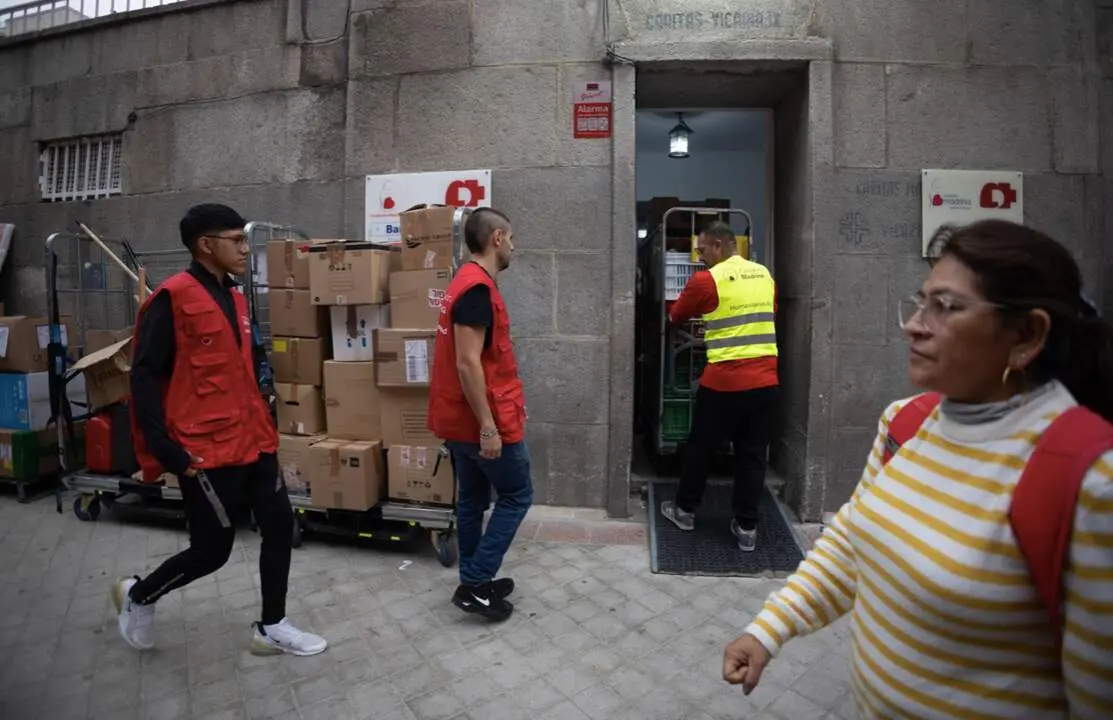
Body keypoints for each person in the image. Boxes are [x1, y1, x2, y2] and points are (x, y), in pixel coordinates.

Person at [721, 220, 1113, 718]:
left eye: (945, 307)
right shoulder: (905, 423)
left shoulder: (1090, 480)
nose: (915, 324)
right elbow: (849, 544)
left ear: (1027, 335)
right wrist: (769, 629)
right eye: (920, 301)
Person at [114, 203, 327, 657]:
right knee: (212, 551)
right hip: (205, 451)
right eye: (237, 241)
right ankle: (139, 596)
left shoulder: (233, 295)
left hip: (254, 439)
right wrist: (165, 449)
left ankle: (272, 626)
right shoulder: (173, 298)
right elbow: (145, 376)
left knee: (279, 524)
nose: (246, 249)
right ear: (205, 245)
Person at [427, 207, 532, 622]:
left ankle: (473, 580)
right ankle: (475, 580)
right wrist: (489, 427)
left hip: (460, 421)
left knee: (471, 500)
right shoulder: (475, 289)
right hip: (482, 423)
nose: (514, 247)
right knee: (517, 495)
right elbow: (469, 364)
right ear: (498, 238)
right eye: (512, 238)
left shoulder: (464, 283)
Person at [659, 220, 779, 551]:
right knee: (753, 456)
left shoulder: (706, 280)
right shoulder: (764, 275)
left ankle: (684, 511)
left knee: (701, 448)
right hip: (766, 381)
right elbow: (768, 315)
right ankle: (746, 528)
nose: (699, 255)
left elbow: (677, 315)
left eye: (702, 249)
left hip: (724, 382)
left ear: (718, 246)